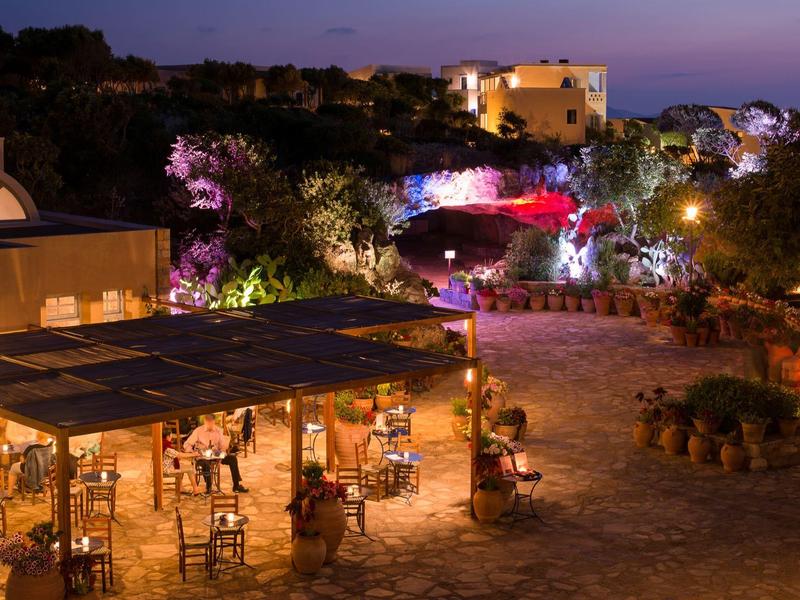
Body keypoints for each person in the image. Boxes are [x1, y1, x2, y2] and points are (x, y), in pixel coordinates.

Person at [184, 415, 248, 494]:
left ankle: (236, 485)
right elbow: (187, 444)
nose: (210, 424)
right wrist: (192, 453)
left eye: (211, 422)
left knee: (232, 459)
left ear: (214, 422)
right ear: (205, 421)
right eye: (208, 422)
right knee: (205, 463)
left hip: (215, 453)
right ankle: (209, 487)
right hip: (201, 455)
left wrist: (224, 447)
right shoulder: (198, 431)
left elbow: (222, 446)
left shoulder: (218, 430)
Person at [7, 431, 53, 499]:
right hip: (44, 470)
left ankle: (9, 494)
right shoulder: (50, 445)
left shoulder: (32, 447)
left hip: (33, 470)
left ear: (37, 437)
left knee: (13, 467)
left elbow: (22, 461)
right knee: (19, 467)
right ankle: (21, 485)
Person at [163, 430, 201, 496]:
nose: (171, 438)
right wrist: (194, 454)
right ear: (168, 436)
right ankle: (195, 489)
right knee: (190, 469)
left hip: (165, 466)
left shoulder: (162, 443)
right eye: (171, 436)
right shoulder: (167, 447)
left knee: (182, 465)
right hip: (167, 468)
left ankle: (181, 487)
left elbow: (176, 455)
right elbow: (180, 455)